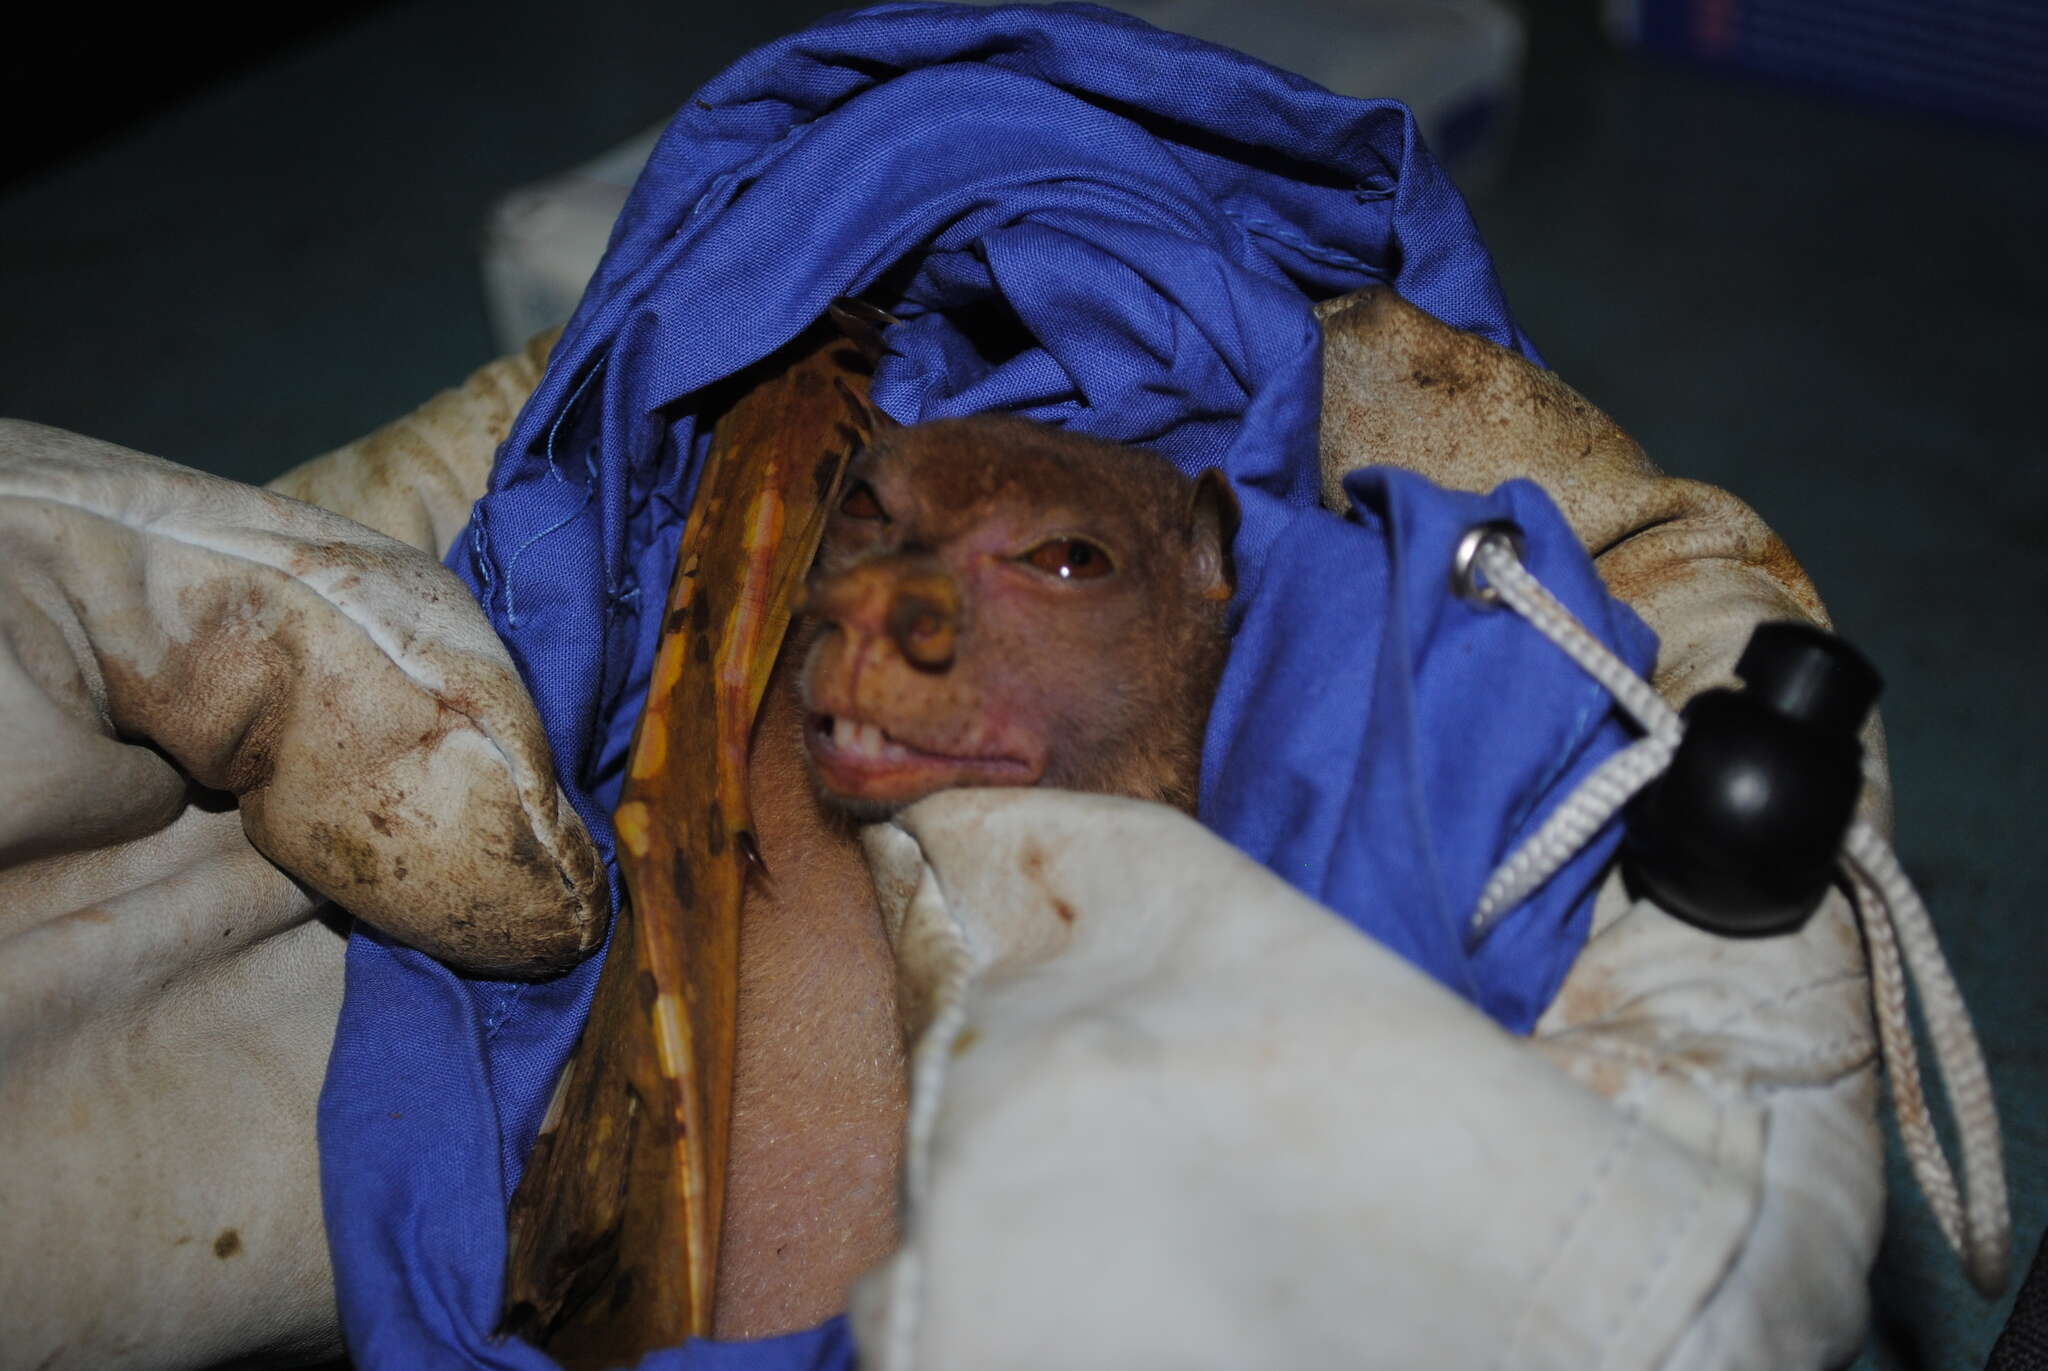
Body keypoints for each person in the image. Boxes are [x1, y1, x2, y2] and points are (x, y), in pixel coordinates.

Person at [0, 283, 1907, 1370]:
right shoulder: (686, 639)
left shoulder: (1338, 741)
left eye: (1058, 557)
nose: (906, 618)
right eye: (880, 540)